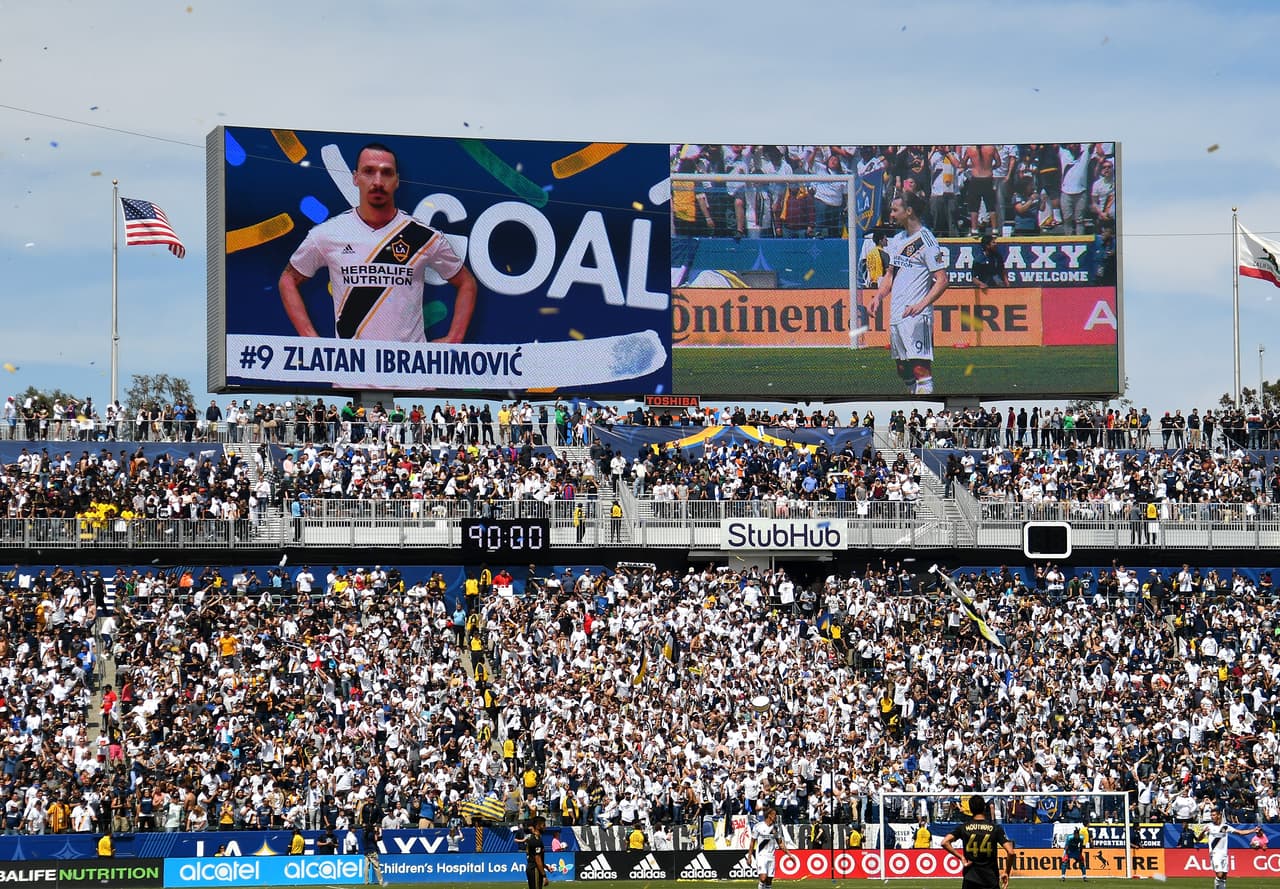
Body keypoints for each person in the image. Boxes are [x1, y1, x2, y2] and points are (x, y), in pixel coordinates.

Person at [280, 142, 478, 343]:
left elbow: (466, 282)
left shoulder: (422, 236)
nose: (377, 181)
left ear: (397, 181)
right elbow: (288, 279)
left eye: (386, 173)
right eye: (369, 171)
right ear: (355, 178)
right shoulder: (329, 233)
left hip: (408, 368)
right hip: (352, 367)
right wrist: (311, 341)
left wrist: (455, 338)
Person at [870, 191, 950, 396]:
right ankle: (914, 402)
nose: (891, 214)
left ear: (909, 211)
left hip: (916, 316)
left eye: (895, 210)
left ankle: (925, 415)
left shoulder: (927, 241)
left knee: (919, 368)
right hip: (897, 314)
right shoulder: (897, 239)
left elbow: (942, 280)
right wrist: (878, 296)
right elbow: (890, 275)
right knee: (902, 369)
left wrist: (921, 305)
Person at [942, 795, 1014, 889]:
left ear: (971, 809)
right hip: (990, 879)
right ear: (984, 807)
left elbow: (945, 842)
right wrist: (1006, 872)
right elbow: (1011, 852)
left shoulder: (964, 827)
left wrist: (961, 857)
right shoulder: (995, 828)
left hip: (970, 878)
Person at [1202, 807, 1254, 889]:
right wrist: (1203, 832)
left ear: (1219, 816)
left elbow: (1240, 832)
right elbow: (1198, 839)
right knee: (1219, 875)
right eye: (1211, 815)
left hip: (1224, 854)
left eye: (1214, 815)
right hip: (1215, 854)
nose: (1212, 817)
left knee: (1224, 876)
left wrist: (1253, 830)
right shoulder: (1208, 826)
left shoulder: (1225, 827)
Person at [750, 807, 786, 889]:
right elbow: (752, 842)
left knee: (769, 881)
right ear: (769, 815)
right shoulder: (758, 826)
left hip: (771, 856)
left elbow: (780, 842)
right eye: (774, 815)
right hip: (761, 855)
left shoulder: (776, 828)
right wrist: (749, 856)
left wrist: (789, 854)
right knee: (763, 878)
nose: (776, 817)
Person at [525, 815, 548, 889]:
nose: (545, 827)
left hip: (532, 867)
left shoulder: (533, 838)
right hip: (535, 869)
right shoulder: (536, 840)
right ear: (538, 826)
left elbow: (534, 856)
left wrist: (545, 866)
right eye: (543, 825)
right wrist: (544, 875)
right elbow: (537, 858)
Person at [364, 819, 385, 886]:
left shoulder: (364, 834)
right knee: (376, 867)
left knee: (366, 867)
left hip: (366, 851)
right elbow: (376, 839)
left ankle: (366, 881)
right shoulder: (371, 834)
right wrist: (376, 832)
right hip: (372, 851)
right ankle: (380, 881)